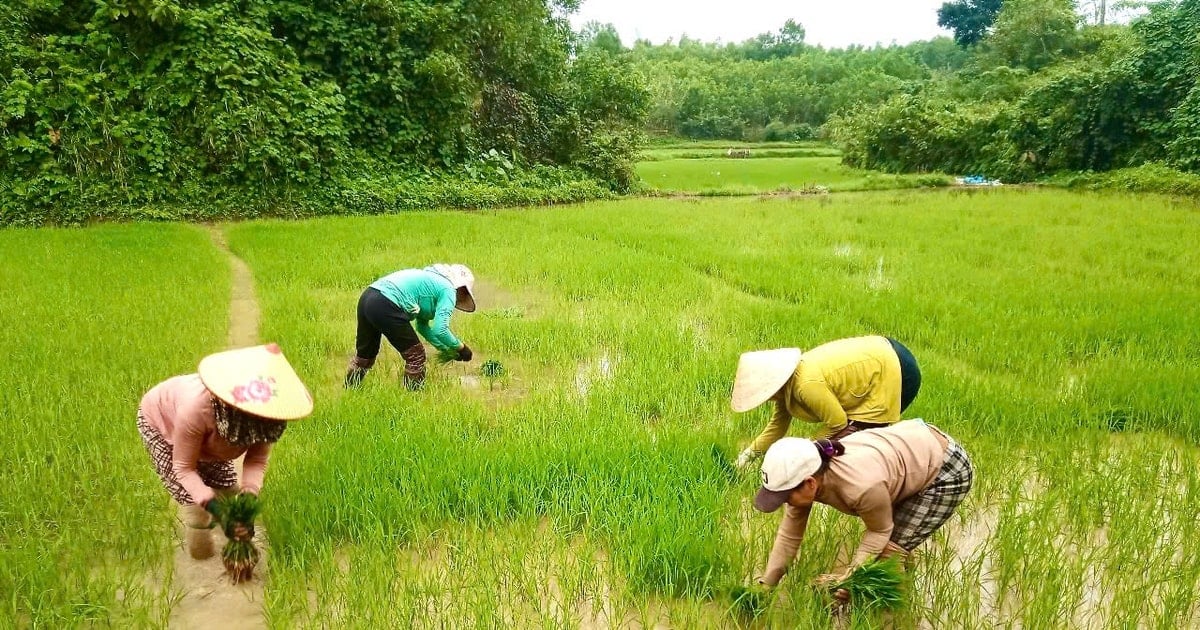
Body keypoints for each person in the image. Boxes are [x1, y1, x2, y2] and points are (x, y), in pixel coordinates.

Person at [751, 419, 973, 592]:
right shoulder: (808, 476)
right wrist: (766, 585)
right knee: (893, 544)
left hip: (945, 469)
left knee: (890, 551)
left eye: (785, 496)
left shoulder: (861, 486)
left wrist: (847, 579)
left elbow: (879, 531)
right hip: (909, 452)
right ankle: (900, 577)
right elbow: (789, 537)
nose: (785, 503)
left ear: (809, 483)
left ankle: (893, 617)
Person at [137, 343, 314, 559]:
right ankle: (201, 554)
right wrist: (216, 510)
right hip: (162, 424)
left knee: (229, 489)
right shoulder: (196, 410)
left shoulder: (268, 416)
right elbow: (183, 468)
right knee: (196, 507)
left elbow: (256, 460)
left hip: (213, 439)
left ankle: (235, 544)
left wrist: (249, 497)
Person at [731, 335, 921, 469]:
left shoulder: (805, 384)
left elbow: (838, 422)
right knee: (836, 446)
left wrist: (807, 448)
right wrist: (746, 457)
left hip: (894, 368)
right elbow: (777, 428)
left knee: (860, 440)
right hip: (881, 353)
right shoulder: (786, 387)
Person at [344, 263, 477, 390]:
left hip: (368, 297)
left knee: (365, 356)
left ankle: (349, 390)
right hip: (387, 301)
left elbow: (422, 327)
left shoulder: (431, 283)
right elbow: (440, 330)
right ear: (460, 287)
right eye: (463, 292)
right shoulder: (448, 290)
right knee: (416, 355)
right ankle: (413, 397)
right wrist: (461, 348)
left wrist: (446, 350)